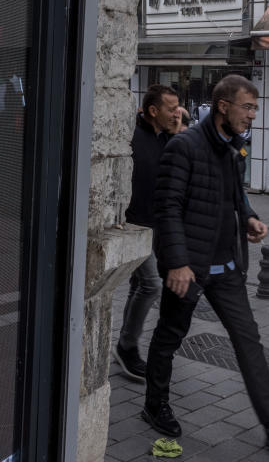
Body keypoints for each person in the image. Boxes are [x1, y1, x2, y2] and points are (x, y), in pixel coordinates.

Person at [142, 74, 269, 448]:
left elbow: (234, 196)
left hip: (226, 267)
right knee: (169, 337)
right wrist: (178, 263)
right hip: (189, 268)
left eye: (256, 108)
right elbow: (167, 208)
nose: (253, 116)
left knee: (249, 340)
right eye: (247, 107)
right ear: (223, 106)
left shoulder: (232, 147)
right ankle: (155, 404)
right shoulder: (184, 146)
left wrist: (249, 217)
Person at [115, 85, 182, 381]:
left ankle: (126, 343)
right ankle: (127, 346)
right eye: (171, 108)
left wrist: (178, 133)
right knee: (151, 285)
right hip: (133, 224)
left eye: (179, 107)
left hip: (157, 226)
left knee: (139, 285)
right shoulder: (131, 137)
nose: (177, 113)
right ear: (153, 111)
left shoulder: (168, 138)